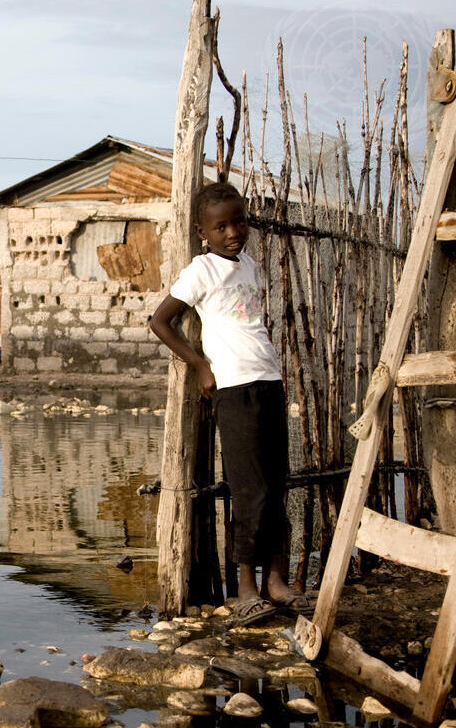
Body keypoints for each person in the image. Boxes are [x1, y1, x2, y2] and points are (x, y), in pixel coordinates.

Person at [149, 181, 314, 627]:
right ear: (203, 232)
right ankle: (245, 589)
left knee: (277, 484)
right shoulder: (201, 270)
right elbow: (160, 322)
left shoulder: (251, 267)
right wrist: (201, 366)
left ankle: (276, 582)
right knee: (249, 490)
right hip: (233, 386)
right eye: (220, 226)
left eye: (238, 221)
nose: (232, 232)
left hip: (268, 381)